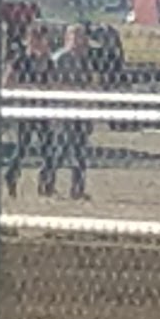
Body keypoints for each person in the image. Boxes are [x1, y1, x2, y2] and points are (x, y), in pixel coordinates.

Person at [4, 25, 57, 198]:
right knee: (22, 146)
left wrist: (46, 90)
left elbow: (51, 84)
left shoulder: (48, 62)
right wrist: (28, 88)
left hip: (43, 109)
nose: (42, 43)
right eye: (37, 39)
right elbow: (7, 83)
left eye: (43, 40)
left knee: (48, 148)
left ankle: (47, 183)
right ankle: (11, 176)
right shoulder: (20, 59)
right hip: (26, 109)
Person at [50, 22, 96, 200]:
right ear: (67, 38)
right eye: (75, 36)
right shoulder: (60, 59)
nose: (79, 40)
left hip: (80, 110)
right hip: (64, 110)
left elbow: (90, 83)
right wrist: (74, 91)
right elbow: (53, 85)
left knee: (80, 150)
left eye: (82, 36)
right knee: (61, 150)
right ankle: (48, 182)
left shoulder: (85, 59)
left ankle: (77, 188)